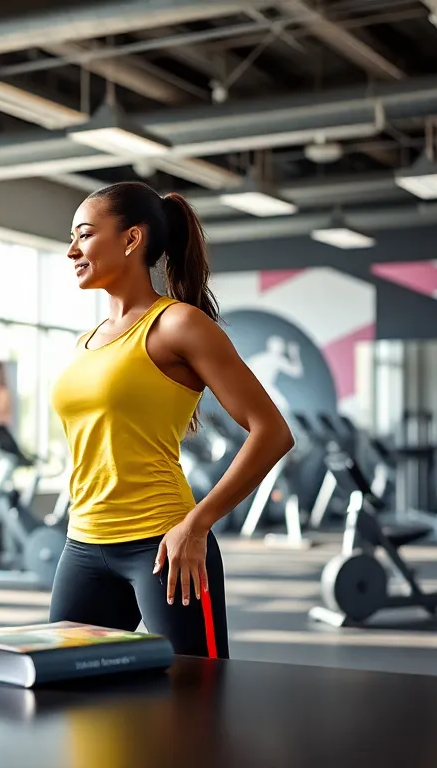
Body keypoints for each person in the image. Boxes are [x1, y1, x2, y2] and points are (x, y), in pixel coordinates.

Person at [49, 181, 295, 658]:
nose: (71, 250)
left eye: (85, 234)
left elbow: (272, 432)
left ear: (131, 239)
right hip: (83, 544)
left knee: (196, 693)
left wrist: (197, 524)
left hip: (163, 546)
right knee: (62, 686)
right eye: (72, 238)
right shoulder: (86, 341)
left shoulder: (178, 324)